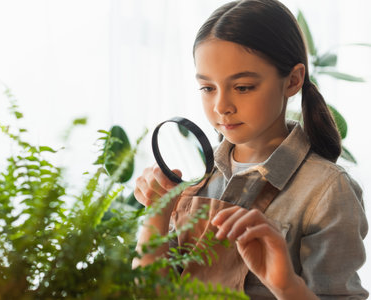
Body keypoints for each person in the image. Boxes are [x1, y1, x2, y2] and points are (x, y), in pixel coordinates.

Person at [132, 0, 368, 299]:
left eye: (242, 87)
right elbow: (152, 293)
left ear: (293, 80)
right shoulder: (200, 181)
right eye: (208, 88)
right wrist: (156, 215)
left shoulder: (327, 190)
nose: (221, 106)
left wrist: (285, 285)